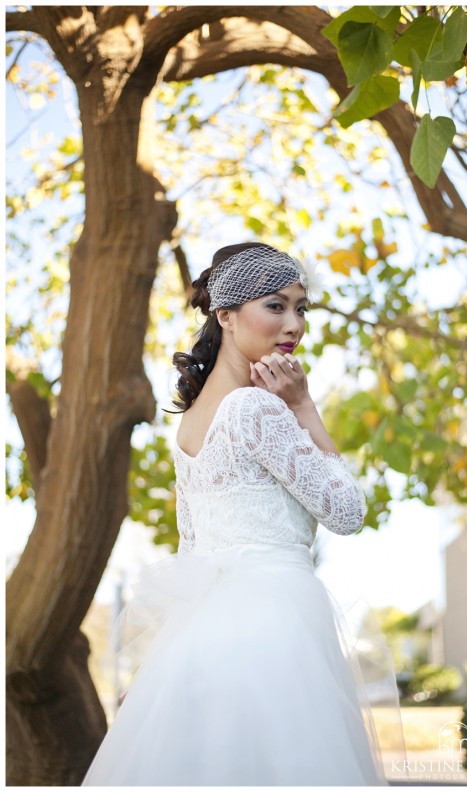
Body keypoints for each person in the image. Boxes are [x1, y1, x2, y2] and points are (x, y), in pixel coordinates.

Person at [82, 242, 405, 786]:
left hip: (204, 635)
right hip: (276, 622)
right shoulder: (256, 407)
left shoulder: (188, 426)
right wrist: (304, 406)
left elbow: (193, 548)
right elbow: (347, 511)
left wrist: (159, 663)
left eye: (301, 307)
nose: (294, 323)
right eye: (275, 305)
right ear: (226, 316)